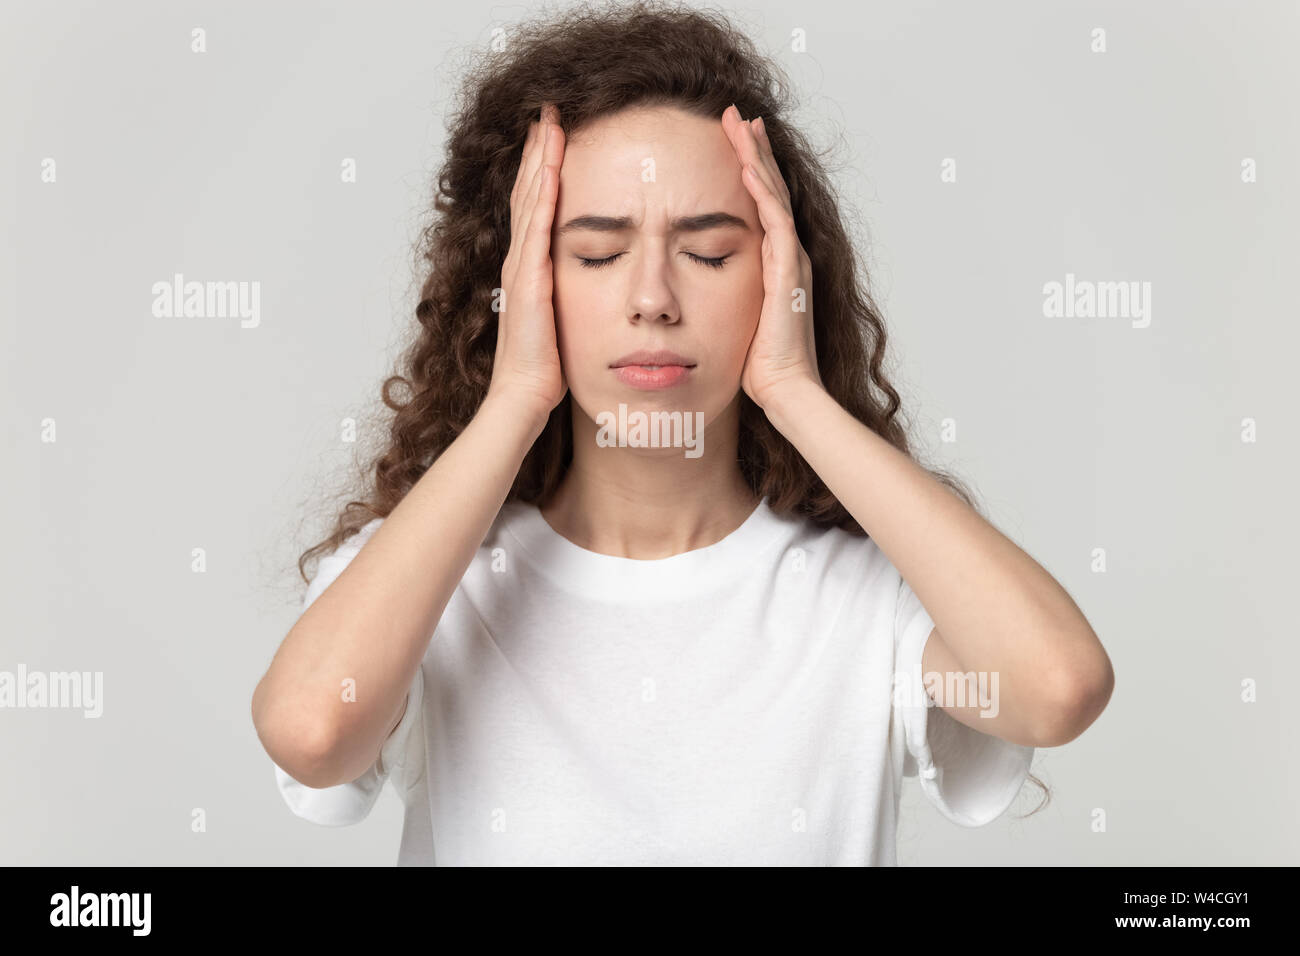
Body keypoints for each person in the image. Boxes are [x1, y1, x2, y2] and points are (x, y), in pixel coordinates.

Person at [251, 1, 1114, 866]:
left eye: (709, 253)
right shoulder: (438, 578)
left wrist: (797, 392)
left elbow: (1057, 688)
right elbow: (313, 732)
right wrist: (513, 396)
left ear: (782, 275)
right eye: (595, 254)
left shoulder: (861, 597)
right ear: (518, 280)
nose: (654, 298)